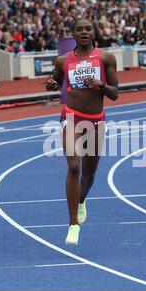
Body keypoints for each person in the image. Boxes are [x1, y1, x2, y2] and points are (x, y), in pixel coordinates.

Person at [45, 18, 119, 245]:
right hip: (71, 116)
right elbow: (55, 82)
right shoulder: (62, 60)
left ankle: (81, 201)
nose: (84, 32)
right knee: (74, 165)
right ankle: (73, 225)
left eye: (88, 28)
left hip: (96, 119)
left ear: (94, 31)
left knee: (89, 173)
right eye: (79, 29)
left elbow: (115, 93)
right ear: (73, 34)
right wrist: (51, 84)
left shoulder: (106, 58)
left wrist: (101, 85)